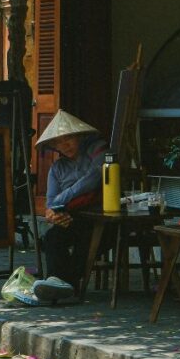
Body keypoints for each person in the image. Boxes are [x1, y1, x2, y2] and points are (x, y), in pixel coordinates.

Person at [36, 110, 107, 301]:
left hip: (101, 217)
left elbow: (94, 178)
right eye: (58, 142)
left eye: (68, 138)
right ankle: (57, 282)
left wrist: (62, 200)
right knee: (52, 237)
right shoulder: (57, 168)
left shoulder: (96, 151)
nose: (64, 145)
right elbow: (51, 204)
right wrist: (57, 213)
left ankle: (62, 283)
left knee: (88, 241)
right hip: (71, 217)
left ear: (79, 136)